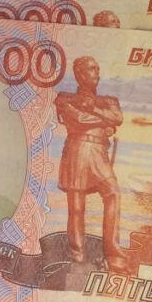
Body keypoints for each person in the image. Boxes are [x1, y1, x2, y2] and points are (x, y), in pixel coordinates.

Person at [54, 56, 130, 272]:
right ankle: (77, 256)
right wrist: (104, 122)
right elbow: (79, 120)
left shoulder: (109, 100)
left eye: (97, 69)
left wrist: (94, 109)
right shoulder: (64, 98)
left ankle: (113, 253)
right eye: (91, 69)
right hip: (77, 150)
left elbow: (118, 118)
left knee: (113, 193)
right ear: (79, 74)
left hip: (98, 152)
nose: (97, 73)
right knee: (76, 207)